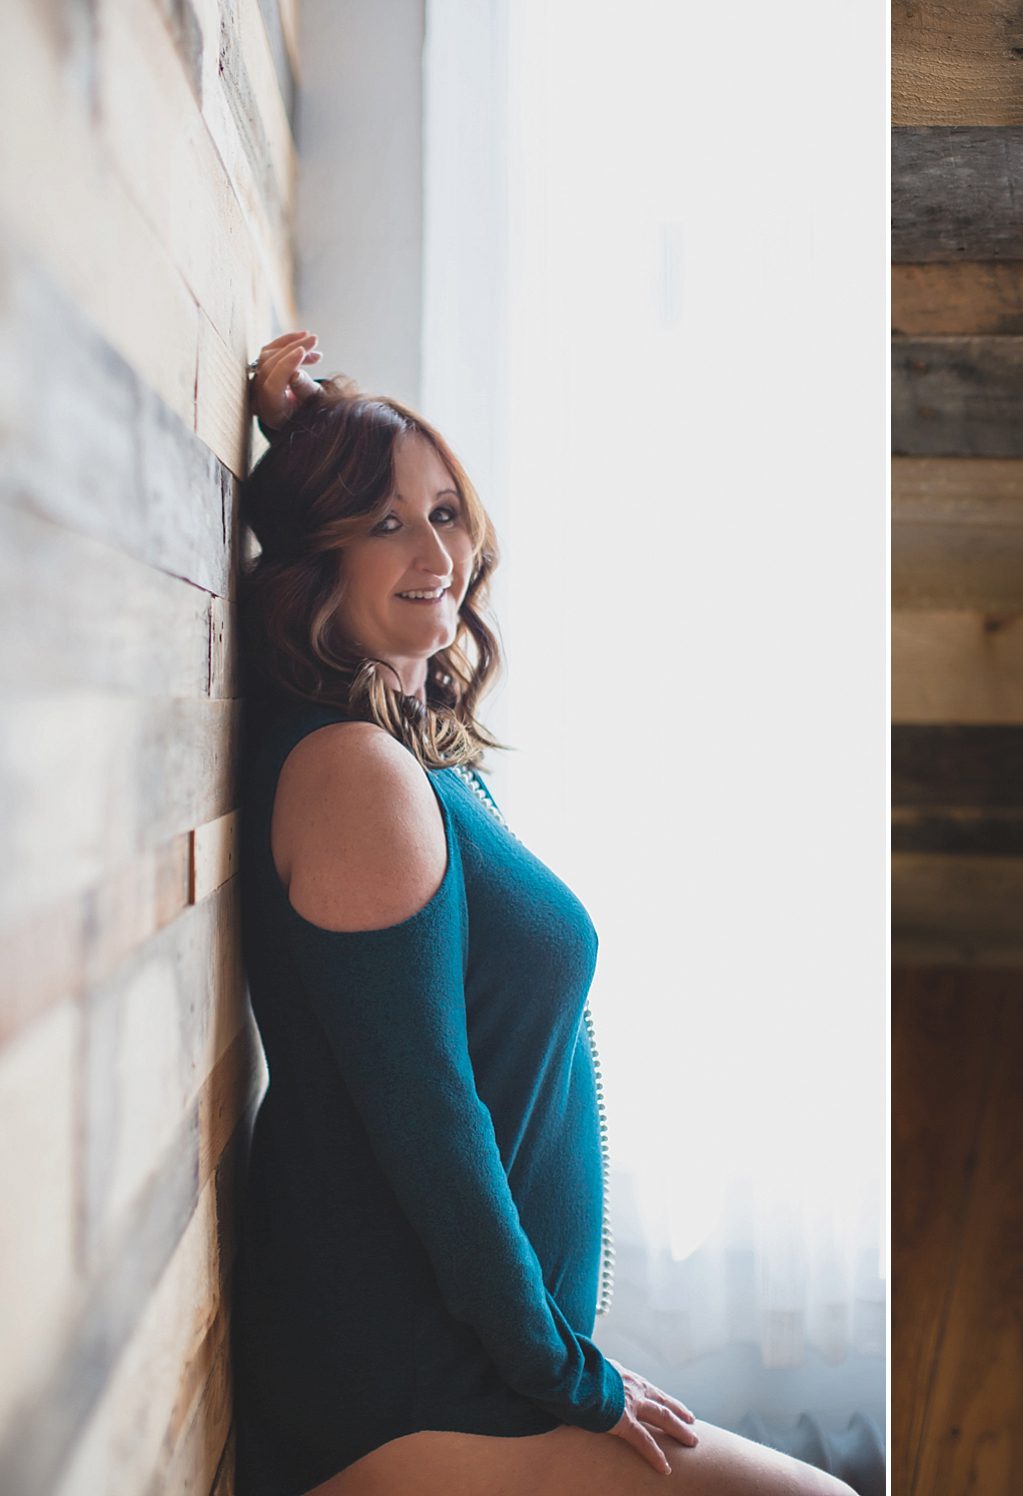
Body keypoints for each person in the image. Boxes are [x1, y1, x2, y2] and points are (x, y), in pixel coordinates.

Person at [229, 332, 859, 1496]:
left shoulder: (408, 754)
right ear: (312, 565)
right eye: (382, 525)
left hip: (464, 1348)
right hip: (401, 1377)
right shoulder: (354, 776)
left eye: (444, 510)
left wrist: (316, 429)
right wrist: (567, 1374)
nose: (437, 551)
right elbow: (435, 1132)